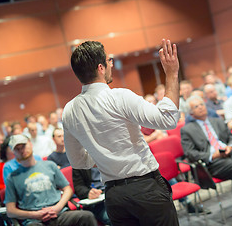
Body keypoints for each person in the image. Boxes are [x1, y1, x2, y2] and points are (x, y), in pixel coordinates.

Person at [63, 39, 180, 226]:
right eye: (109, 60)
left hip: (114, 196)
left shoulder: (69, 110)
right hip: (145, 188)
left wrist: (104, 158)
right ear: (101, 68)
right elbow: (168, 119)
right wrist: (172, 74)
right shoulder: (119, 97)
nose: (111, 64)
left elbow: (77, 161)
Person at [180, 96, 232, 217]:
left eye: (201, 104)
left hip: (231, 153)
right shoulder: (187, 130)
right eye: (196, 106)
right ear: (191, 113)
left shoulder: (217, 121)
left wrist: (230, 146)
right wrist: (212, 155)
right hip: (213, 163)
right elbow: (190, 153)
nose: (200, 107)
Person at [4, 134, 97, 226]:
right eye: (17, 149)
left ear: (30, 144)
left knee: (86, 216)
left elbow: (67, 189)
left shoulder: (50, 165)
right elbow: (10, 211)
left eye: (23, 146)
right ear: (13, 153)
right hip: (34, 220)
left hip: (59, 213)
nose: (21, 150)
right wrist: (35, 214)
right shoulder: (12, 178)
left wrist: (57, 208)